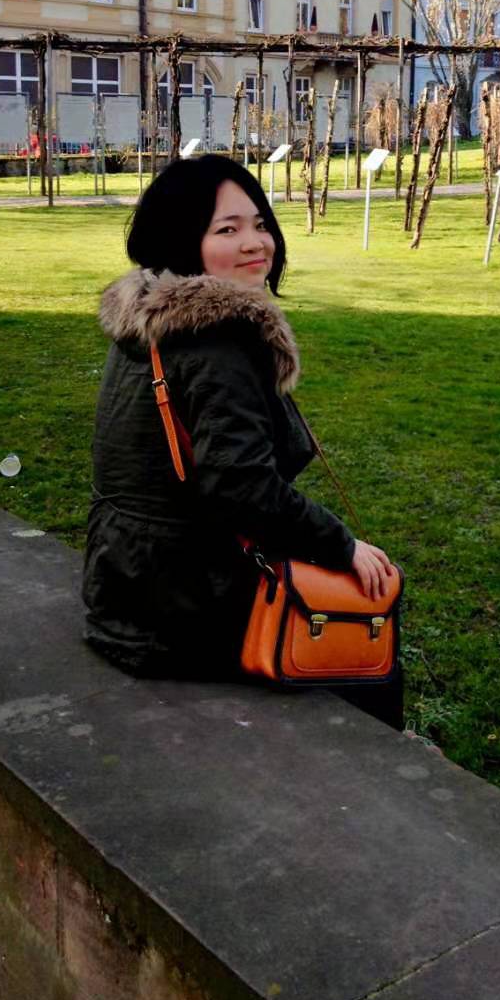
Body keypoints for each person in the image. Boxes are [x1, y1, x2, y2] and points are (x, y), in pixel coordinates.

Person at [83, 154, 401, 725]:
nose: (256, 243)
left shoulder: (146, 322)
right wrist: (343, 545)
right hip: (183, 610)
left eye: (259, 224)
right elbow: (242, 486)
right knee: (366, 636)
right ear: (184, 240)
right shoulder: (217, 344)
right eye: (227, 230)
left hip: (121, 584)